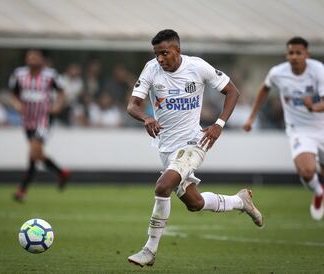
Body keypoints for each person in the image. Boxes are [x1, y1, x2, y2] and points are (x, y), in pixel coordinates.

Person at [126, 29, 263, 267]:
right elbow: (132, 105)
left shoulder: (197, 67)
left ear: (177, 50)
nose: (160, 59)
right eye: (157, 54)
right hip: (167, 148)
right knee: (195, 204)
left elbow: (232, 91)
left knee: (163, 186)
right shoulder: (151, 69)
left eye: (165, 53)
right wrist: (146, 118)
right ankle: (240, 202)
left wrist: (219, 124)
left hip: (194, 143)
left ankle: (149, 250)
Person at [243, 37, 324, 221]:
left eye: (298, 53)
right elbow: (264, 89)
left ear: (307, 55)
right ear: (286, 55)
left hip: (321, 125)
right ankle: (319, 192)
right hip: (299, 129)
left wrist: (313, 107)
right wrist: (251, 117)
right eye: (290, 53)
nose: (294, 57)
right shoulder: (278, 73)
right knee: (306, 171)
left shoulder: (318, 70)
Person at [9, 49, 70, 202]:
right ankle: (61, 172)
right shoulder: (19, 75)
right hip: (28, 120)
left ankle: (22, 190)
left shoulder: (51, 75)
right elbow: (13, 94)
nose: (32, 59)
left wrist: (57, 106)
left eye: (36, 57)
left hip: (44, 119)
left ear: (42, 60)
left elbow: (62, 93)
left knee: (33, 152)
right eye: (29, 56)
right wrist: (16, 104)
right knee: (35, 155)